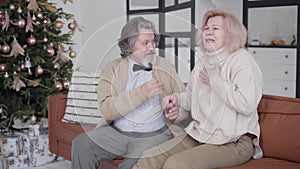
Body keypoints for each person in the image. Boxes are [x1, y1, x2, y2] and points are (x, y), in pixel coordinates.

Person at [133, 9, 263, 169]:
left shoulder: (242, 59)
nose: (208, 32)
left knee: (176, 164)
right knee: (149, 158)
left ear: (230, 34)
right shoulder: (203, 62)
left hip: (234, 141)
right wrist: (177, 99)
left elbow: (246, 103)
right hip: (201, 134)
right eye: (206, 28)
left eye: (215, 28)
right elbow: (191, 97)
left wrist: (214, 81)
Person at [71, 17, 187, 169]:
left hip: (154, 135)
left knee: (133, 164)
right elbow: (107, 109)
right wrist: (141, 93)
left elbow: (185, 101)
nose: (152, 47)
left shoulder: (166, 66)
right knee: (82, 144)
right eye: (145, 43)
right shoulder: (112, 69)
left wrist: (177, 111)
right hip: (118, 132)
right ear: (130, 44)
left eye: (154, 42)